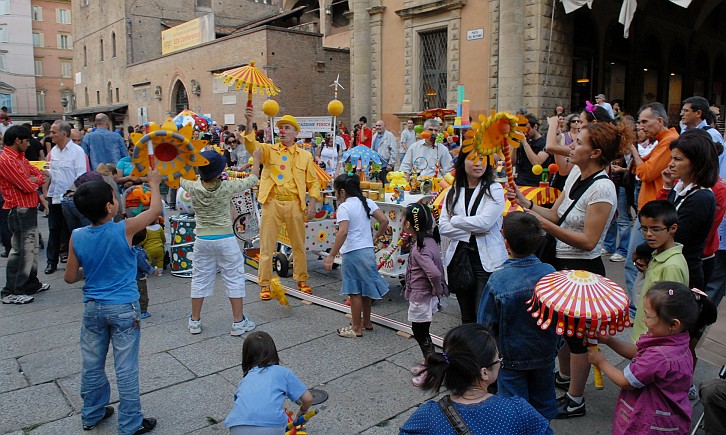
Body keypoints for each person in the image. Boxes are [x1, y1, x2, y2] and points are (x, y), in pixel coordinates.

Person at [509, 121, 634, 419]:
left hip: (583, 271)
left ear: (596, 152)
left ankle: (576, 399)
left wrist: (544, 225)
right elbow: (556, 213)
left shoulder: (603, 188)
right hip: (560, 263)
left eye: (578, 142)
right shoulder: (576, 173)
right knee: (562, 330)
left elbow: (589, 241)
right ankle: (564, 379)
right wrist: (526, 203)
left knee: (579, 339)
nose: (572, 146)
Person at [65, 172, 162, 435]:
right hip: (123, 308)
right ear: (110, 206)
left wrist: (94, 269)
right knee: (126, 367)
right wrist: (153, 183)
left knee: (92, 363)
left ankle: (92, 413)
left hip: (93, 308)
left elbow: (70, 277)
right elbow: (155, 210)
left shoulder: (77, 235)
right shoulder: (124, 228)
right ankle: (130, 423)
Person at [588, 281, 717, 435]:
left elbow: (626, 381)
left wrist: (601, 362)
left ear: (673, 325)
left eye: (648, 316)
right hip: (670, 420)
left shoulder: (659, 356)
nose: (644, 320)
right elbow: (639, 353)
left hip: (650, 425)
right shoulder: (679, 341)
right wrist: (609, 340)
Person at [476, 212, 559, 421]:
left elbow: (484, 324)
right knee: (544, 406)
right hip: (545, 354)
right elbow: (560, 315)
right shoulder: (550, 272)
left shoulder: (498, 280)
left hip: (511, 359)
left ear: (505, 240)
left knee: (513, 411)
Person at [399, 324, 552, 435]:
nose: (500, 362)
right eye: (498, 358)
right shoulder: (518, 411)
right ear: (484, 373)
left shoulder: (427, 415)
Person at [181, 151, 259, 336]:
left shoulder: (191, 186)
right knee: (234, 277)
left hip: (202, 240)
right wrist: (255, 159)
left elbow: (180, 176)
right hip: (225, 239)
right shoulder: (227, 186)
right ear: (219, 172)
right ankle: (238, 322)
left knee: (199, 278)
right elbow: (253, 179)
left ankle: (195, 321)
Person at [245, 108, 321, 299]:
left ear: (296, 133)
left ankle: (302, 279)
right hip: (271, 202)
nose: (283, 131)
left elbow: (313, 182)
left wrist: (312, 204)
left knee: (298, 245)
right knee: (266, 245)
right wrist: (248, 123)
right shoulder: (269, 150)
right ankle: (264, 283)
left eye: (287, 128)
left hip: (295, 204)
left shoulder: (305, 156)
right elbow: (251, 145)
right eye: (280, 128)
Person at [439, 149, 507, 324]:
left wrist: (455, 219)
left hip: (486, 261)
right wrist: (471, 229)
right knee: (467, 315)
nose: (478, 163)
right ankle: (469, 351)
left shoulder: (494, 189)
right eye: (473, 159)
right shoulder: (453, 191)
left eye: (483, 159)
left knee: (483, 316)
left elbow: (485, 223)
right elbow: (443, 227)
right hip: (461, 258)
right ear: (462, 162)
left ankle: (487, 351)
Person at [623, 103, 679, 310]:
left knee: (634, 260)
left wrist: (632, 149)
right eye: (639, 122)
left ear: (660, 121)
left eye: (645, 122)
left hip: (653, 212)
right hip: (649, 210)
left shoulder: (669, 141)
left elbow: (645, 172)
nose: (641, 126)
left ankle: (636, 310)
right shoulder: (661, 141)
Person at [323, 174, 389, 337]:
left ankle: (356, 328)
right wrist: (375, 237)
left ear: (343, 192)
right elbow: (384, 221)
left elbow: (343, 232)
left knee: (354, 292)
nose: (336, 195)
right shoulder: (367, 202)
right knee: (366, 288)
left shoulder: (344, 207)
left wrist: (331, 255)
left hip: (353, 252)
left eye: (336, 191)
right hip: (367, 251)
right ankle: (366, 322)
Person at [660, 129, 718, 290]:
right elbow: (661, 215)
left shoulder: (701, 197)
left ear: (697, 163)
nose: (671, 164)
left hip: (683, 271)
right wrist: (667, 186)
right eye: (672, 158)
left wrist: (642, 251)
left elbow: (675, 238)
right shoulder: (680, 188)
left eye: (678, 159)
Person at [223, 331, 313, 434]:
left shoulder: (245, 379)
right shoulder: (282, 372)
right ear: (273, 352)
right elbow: (308, 398)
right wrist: (303, 410)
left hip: (237, 425)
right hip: (271, 425)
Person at [0, 126, 48, 304]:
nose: (29, 144)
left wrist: (34, 179)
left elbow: (38, 174)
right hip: (19, 208)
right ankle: (12, 290)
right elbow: (27, 185)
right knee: (21, 251)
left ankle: (30, 283)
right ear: (17, 140)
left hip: (27, 207)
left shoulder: (19, 157)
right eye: (27, 140)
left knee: (31, 248)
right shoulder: (6, 160)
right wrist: (34, 180)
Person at [630, 200, 689, 342]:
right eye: (644, 228)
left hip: (651, 341)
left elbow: (668, 311)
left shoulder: (671, 267)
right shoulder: (659, 256)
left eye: (655, 229)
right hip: (644, 336)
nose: (648, 234)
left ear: (673, 228)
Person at [402, 203, 447, 384]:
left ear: (408, 224)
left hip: (421, 295)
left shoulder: (420, 248)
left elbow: (434, 273)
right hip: (426, 295)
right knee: (423, 330)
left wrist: (437, 290)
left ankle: (433, 368)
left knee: (420, 332)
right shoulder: (429, 241)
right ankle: (429, 361)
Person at [46, 120, 87, 274]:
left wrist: (74, 193)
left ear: (64, 133)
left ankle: (78, 263)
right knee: (53, 229)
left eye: (53, 132)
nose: (51, 135)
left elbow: (81, 175)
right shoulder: (54, 151)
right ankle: (51, 262)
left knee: (74, 230)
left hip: (70, 197)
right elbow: (53, 171)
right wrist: (44, 172)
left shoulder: (77, 151)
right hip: (54, 194)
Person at [514, 114, 551, 187]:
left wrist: (524, 142)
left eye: (527, 129)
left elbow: (536, 163)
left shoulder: (545, 143)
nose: (525, 132)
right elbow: (512, 162)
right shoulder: (523, 142)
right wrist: (515, 144)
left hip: (536, 184)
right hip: (520, 182)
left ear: (535, 127)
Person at [132, 229, 156, 319]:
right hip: (139, 277)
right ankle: (142, 311)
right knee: (142, 295)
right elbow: (143, 265)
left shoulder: (129, 249)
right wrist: (151, 270)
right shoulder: (139, 252)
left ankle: (133, 309)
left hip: (130, 277)